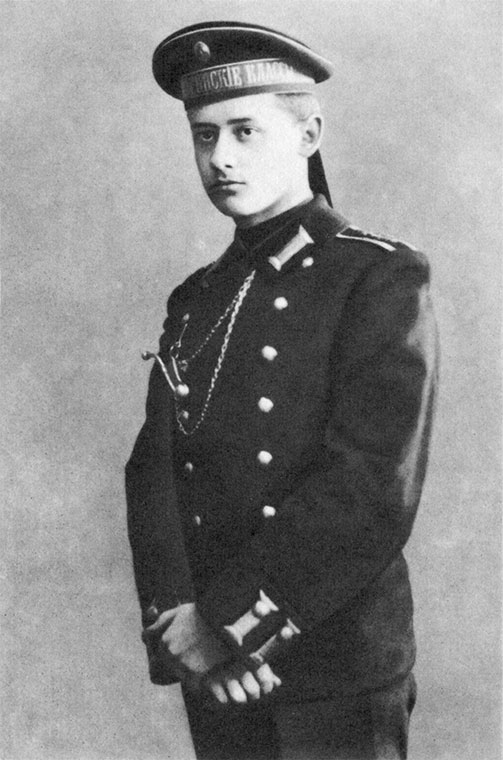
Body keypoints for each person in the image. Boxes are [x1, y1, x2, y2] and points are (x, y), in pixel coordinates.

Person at [126, 21, 438, 760]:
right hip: (215, 671)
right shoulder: (197, 299)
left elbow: (370, 486)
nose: (221, 158)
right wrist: (181, 625)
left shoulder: (376, 276)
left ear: (307, 135)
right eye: (204, 136)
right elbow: (155, 471)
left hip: (332, 670)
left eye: (244, 131)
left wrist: (232, 625)